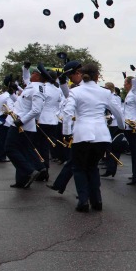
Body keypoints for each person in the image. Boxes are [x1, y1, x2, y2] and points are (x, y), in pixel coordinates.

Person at [62, 63, 124, 212]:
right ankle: (97, 200)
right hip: (101, 135)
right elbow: (118, 113)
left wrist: (66, 132)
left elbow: (67, 113)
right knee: (92, 167)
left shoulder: (75, 92)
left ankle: (83, 200)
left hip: (82, 134)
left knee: (79, 168)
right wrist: (122, 127)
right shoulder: (105, 92)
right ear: (97, 76)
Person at [5, 65, 51, 188]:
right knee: (23, 151)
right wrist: (25, 68)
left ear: (37, 76)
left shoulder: (37, 89)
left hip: (21, 124)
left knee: (10, 149)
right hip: (23, 123)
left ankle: (30, 171)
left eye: (33, 73)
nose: (31, 75)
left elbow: (36, 110)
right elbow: (26, 79)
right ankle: (22, 180)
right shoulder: (33, 86)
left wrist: (21, 121)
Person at [47, 60, 83, 194]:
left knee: (84, 166)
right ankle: (60, 185)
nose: (71, 79)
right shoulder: (79, 88)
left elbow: (69, 107)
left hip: (86, 132)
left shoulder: (85, 89)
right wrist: (62, 83)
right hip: (81, 131)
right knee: (74, 161)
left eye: (70, 76)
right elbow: (69, 95)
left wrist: (67, 133)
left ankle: (86, 195)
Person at [0, 78, 14, 162]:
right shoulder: (8, 97)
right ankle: (1, 156)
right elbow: (11, 109)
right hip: (5, 119)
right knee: (3, 139)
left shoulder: (0, 96)